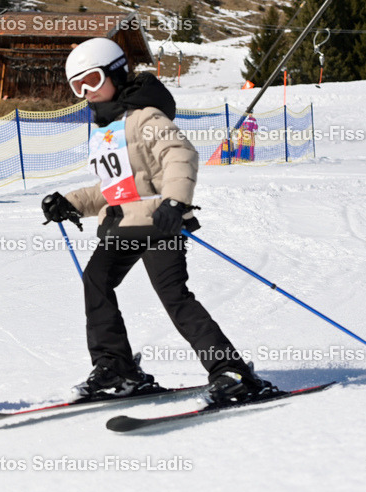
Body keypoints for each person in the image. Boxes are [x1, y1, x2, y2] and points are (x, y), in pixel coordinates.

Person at [41, 38, 273, 404]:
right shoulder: (107, 128)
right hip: (122, 224)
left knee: (173, 296)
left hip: (159, 223)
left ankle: (232, 372)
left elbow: (179, 154)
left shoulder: (145, 117)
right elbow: (113, 187)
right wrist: (69, 203)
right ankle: (115, 368)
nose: (86, 92)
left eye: (93, 80)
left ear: (117, 74)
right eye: (77, 85)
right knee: (96, 281)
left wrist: (175, 201)